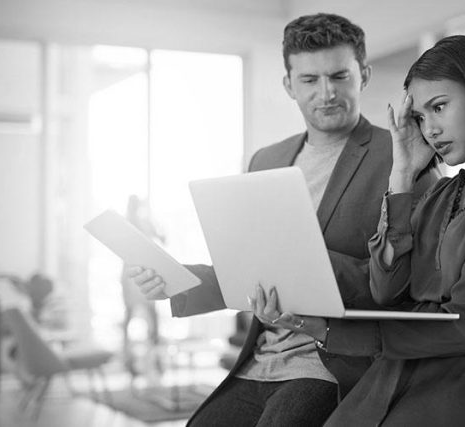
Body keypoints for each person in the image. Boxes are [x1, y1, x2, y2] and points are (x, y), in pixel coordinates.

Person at [127, 13, 440, 427]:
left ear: (363, 75)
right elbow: (250, 269)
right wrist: (175, 279)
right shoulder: (266, 161)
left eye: (339, 76)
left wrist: (305, 264)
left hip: (333, 364)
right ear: (289, 85)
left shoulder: (402, 158)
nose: (326, 93)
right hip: (261, 360)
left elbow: (413, 284)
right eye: (309, 80)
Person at [252, 35, 465, 426]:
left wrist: (327, 329)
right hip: (411, 366)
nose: (430, 129)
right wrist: (402, 174)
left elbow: (463, 323)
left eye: (439, 107)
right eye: (420, 117)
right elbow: (386, 291)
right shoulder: (446, 192)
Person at [120, 195, 165, 380]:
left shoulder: (141, 223)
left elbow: (163, 237)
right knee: (141, 320)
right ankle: (135, 362)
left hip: (139, 273)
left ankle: (152, 361)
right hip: (134, 275)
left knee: (145, 321)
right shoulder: (129, 224)